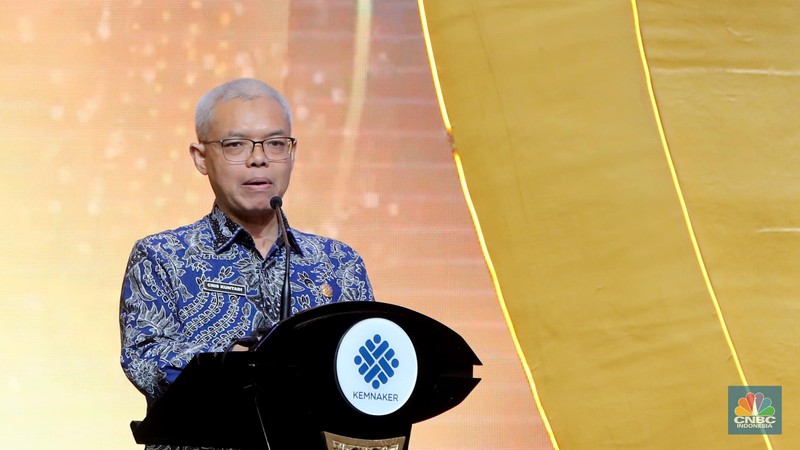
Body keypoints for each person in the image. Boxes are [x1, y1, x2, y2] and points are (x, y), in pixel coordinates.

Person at [119, 79, 375, 448]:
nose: (259, 158)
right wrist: (235, 364)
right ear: (200, 157)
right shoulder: (162, 256)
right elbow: (144, 359)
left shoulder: (339, 264)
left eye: (275, 143)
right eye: (235, 144)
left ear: (292, 152)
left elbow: (363, 371)